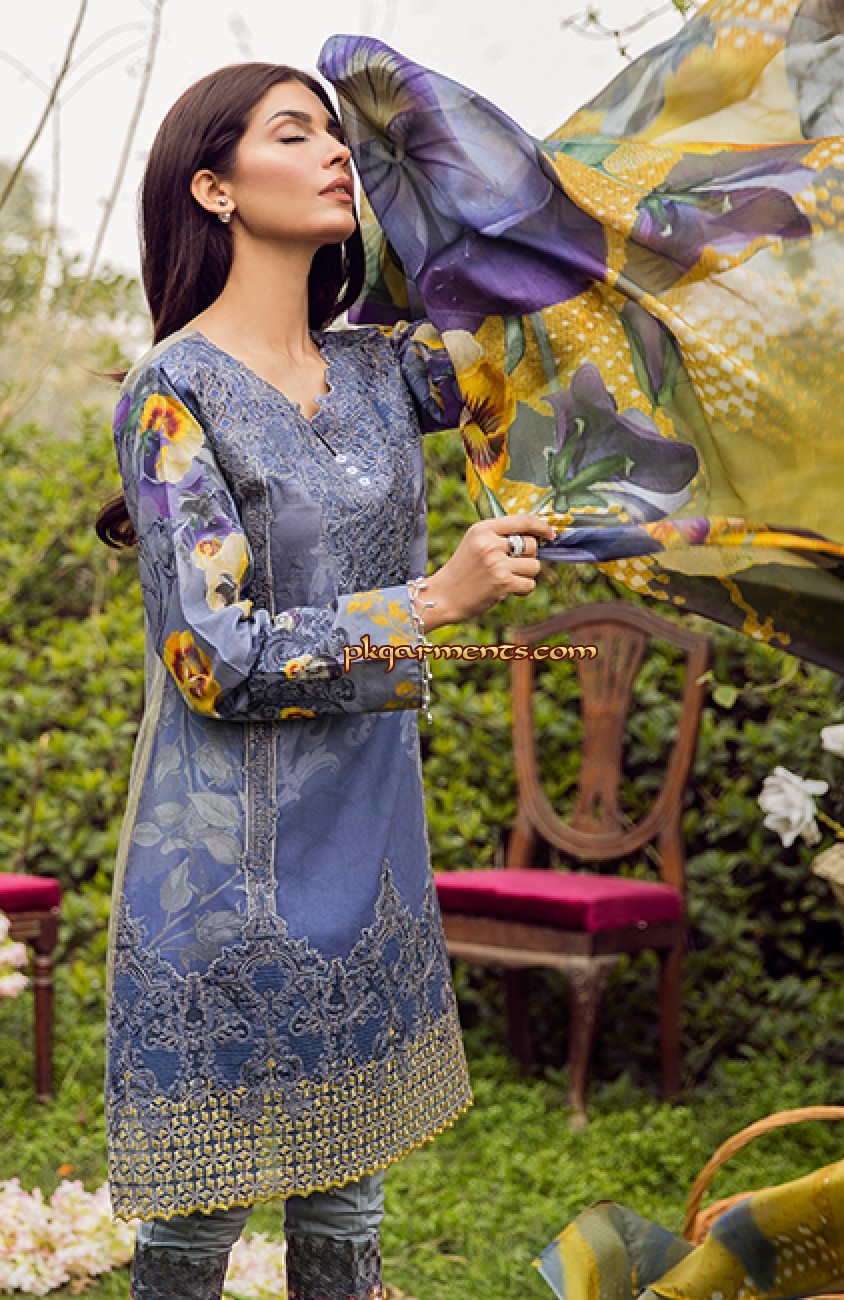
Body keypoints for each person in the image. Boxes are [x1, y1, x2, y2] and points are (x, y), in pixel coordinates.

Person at [97, 62, 555, 1300]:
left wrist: (425, 143)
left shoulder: (387, 370)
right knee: (196, 1225)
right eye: (294, 135)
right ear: (215, 187)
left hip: (369, 843)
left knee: (349, 1204)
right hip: (223, 861)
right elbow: (210, 656)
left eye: (337, 137)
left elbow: (532, 305)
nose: (334, 154)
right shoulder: (172, 392)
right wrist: (431, 602)